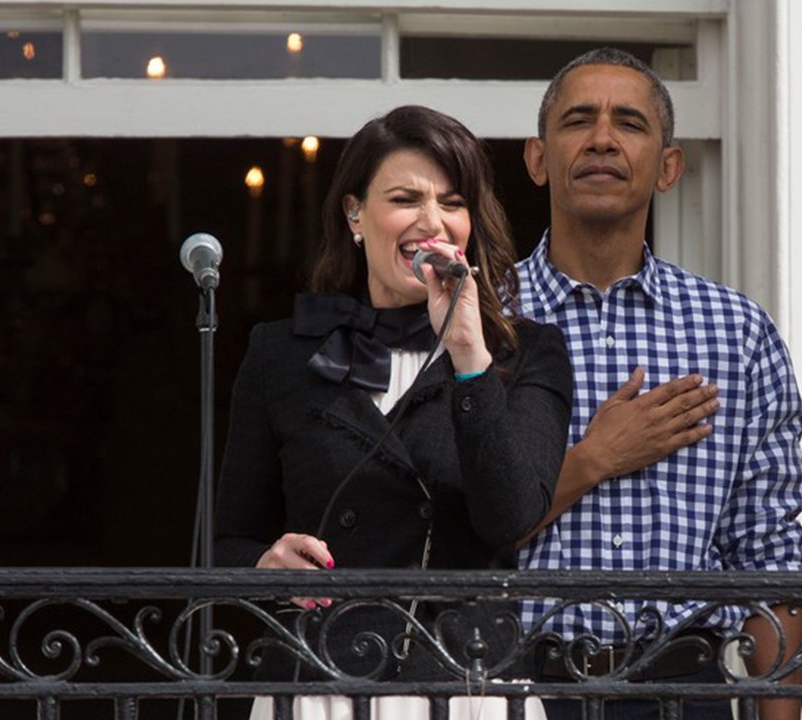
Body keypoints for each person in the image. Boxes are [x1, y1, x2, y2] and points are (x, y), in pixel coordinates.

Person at [214, 105, 572, 718]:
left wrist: (467, 354)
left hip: (467, 686)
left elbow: (511, 516)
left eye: (453, 203)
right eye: (406, 198)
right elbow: (223, 543)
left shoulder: (525, 352)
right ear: (354, 213)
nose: (432, 222)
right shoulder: (282, 351)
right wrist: (264, 564)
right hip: (319, 681)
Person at [516, 48, 802, 720]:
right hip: (519, 689)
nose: (602, 140)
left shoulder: (737, 332)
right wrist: (594, 459)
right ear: (537, 159)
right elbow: (446, 533)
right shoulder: (482, 321)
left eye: (630, 123)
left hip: (687, 690)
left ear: (669, 167)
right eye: (579, 120)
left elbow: (767, 555)